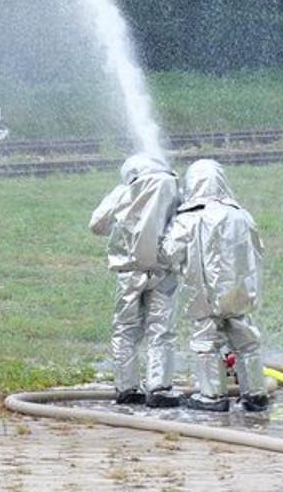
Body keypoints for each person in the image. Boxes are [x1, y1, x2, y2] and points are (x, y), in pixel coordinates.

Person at [161, 159, 268, 413]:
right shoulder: (241, 215)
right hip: (239, 292)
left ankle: (213, 396)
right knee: (247, 340)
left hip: (204, 293)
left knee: (206, 341)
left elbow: (169, 253)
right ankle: (255, 393)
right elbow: (258, 248)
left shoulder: (188, 219)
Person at [89, 152, 182, 407]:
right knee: (161, 330)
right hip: (163, 271)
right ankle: (159, 388)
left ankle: (127, 387)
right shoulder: (174, 189)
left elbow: (96, 224)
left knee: (126, 329)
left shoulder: (122, 192)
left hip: (129, 272)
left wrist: (123, 228)